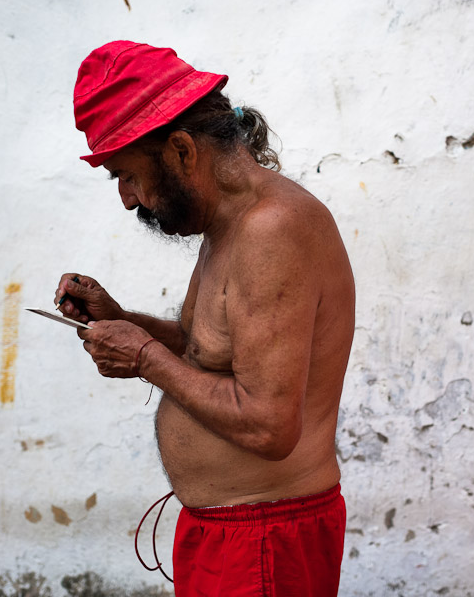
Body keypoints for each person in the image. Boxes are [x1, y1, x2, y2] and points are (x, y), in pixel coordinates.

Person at [54, 41, 356, 596]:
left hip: (264, 541)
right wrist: (125, 322)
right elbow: (208, 351)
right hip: (233, 535)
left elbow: (268, 426)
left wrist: (143, 357)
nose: (126, 199)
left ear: (182, 151)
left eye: (127, 174)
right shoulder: (231, 223)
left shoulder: (273, 229)